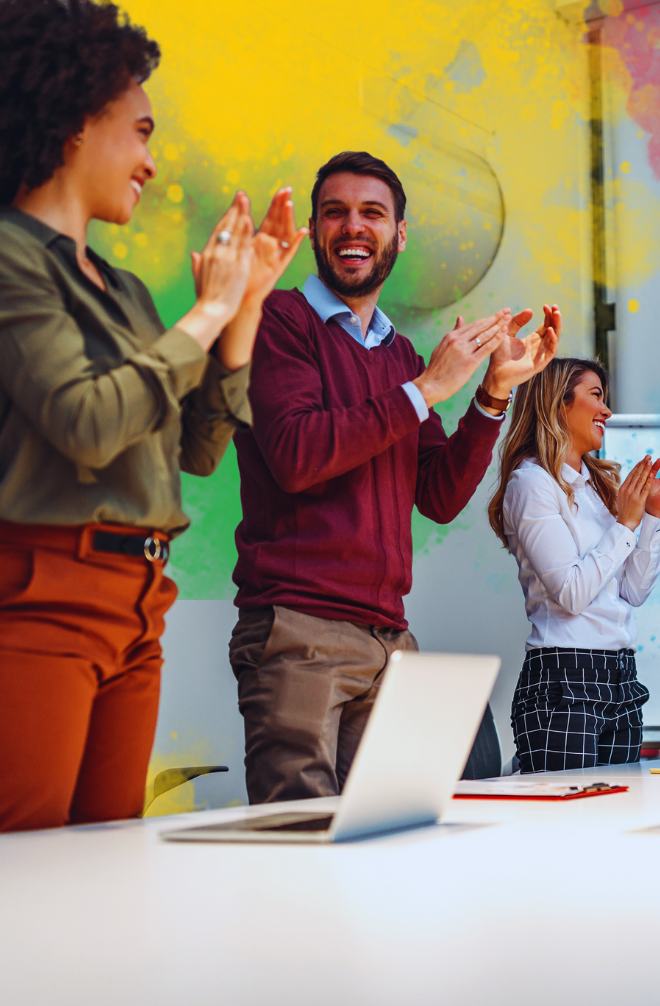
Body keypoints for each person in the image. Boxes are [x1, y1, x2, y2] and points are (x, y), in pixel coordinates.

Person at [0, 0, 306, 832]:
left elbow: (196, 452)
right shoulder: (10, 259)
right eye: (139, 131)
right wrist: (203, 316)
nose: (148, 160)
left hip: (140, 601)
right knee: (28, 871)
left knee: (102, 859)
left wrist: (241, 314)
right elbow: (88, 423)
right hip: (41, 597)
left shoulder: (126, 291)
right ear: (73, 120)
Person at [230, 150, 561, 804]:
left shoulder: (400, 357)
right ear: (316, 232)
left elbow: (436, 497)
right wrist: (427, 389)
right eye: (336, 213)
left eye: (372, 214)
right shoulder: (280, 322)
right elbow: (296, 454)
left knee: (392, 842)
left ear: (399, 235)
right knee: (299, 840)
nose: (353, 227)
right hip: (300, 631)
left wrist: (492, 395)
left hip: (390, 639)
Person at [488, 357, 660, 772]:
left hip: (620, 673)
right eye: (596, 396)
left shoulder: (599, 486)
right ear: (557, 404)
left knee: (617, 820)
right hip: (563, 678)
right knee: (569, 827)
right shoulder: (531, 484)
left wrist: (652, 514)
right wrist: (626, 522)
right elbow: (571, 593)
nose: (607, 411)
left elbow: (633, 592)